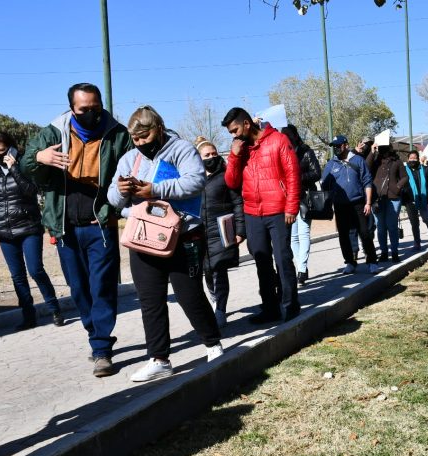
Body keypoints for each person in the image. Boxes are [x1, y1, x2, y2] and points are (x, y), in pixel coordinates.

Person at [22, 83, 132, 378]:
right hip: (65, 226)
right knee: (79, 289)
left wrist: (116, 202)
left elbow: (133, 171)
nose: (91, 113)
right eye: (84, 109)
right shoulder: (53, 132)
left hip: (101, 224)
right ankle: (92, 332)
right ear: (72, 108)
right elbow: (25, 163)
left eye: (95, 107)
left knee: (102, 287)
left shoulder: (117, 133)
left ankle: (101, 348)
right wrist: (39, 158)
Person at [108, 106, 224, 382]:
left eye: (144, 137)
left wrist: (155, 189)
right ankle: (159, 358)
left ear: (158, 129)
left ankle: (213, 345)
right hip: (145, 239)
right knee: (150, 300)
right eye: (135, 140)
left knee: (189, 295)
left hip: (184, 236)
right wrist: (122, 194)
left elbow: (195, 182)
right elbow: (113, 199)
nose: (140, 144)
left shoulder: (181, 149)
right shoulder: (128, 160)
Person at [223, 107, 301, 323]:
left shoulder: (278, 140)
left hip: (278, 210)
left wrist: (291, 207)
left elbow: (293, 175)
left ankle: (290, 305)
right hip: (252, 213)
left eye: (235, 130)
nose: (234, 135)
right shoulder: (241, 150)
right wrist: (234, 156)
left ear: (247, 124)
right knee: (261, 261)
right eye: (230, 132)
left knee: (283, 259)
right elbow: (231, 182)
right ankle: (270, 308)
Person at [0, 131, 63, 331]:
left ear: (10, 147)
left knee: (35, 270)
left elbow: (31, 191)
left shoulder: (25, 163)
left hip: (28, 227)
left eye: (0, 150)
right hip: (4, 230)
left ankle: (55, 309)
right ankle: (29, 317)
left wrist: (15, 169)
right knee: (17, 276)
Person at [195, 137, 245, 328]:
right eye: (206, 155)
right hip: (199, 232)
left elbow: (237, 202)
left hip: (222, 230)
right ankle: (214, 299)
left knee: (219, 269)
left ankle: (220, 309)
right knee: (207, 271)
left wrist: (240, 230)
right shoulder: (193, 177)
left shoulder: (226, 176)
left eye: (214, 153)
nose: (211, 157)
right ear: (198, 158)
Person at [321, 135, 379, 274]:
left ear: (346, 145)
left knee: (365, 233)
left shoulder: (358, 160)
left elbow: (367, 182)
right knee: (344, 235)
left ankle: (371, 261)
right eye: (334, 146)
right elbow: (324, 184)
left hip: (358, 203)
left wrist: (368, 203)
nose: (336, 148)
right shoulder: (331, 164)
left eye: (338, 145)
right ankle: (350, 262)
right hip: (340, 205)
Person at [281, 124, 321, 285]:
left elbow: (316, 173)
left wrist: (297, 177)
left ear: (295, 135)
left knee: (303, 233)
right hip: (288, 198)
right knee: (292, 237)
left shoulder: (306, 151)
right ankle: (301, 267)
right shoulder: (282, 152)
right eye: (283, 135)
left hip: (304, 197)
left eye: (289, 135)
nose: (286, 138)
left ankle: (302, 269)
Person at [373, 145, 408, 262]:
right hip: (378, 199)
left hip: (393, 198)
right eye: (381, 148)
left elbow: (405, 177)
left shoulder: (397, 162)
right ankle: (383, 252)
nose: (383, 151)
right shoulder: (375, 161)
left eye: (385, 148)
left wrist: (397, 187)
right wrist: (372, 152)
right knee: (380, 227)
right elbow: (366, 167)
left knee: (392, 226)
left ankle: (394, 252)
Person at [401, 149, 428, 250]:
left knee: (427, 219)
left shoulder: (425, 169)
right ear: (408, 159)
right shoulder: (404, 170)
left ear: (418, 159)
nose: (413, 160)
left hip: (423, 198)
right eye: (411, 158)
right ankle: (417, 243)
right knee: (414, 222)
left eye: (415, 158)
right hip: (410, 200)